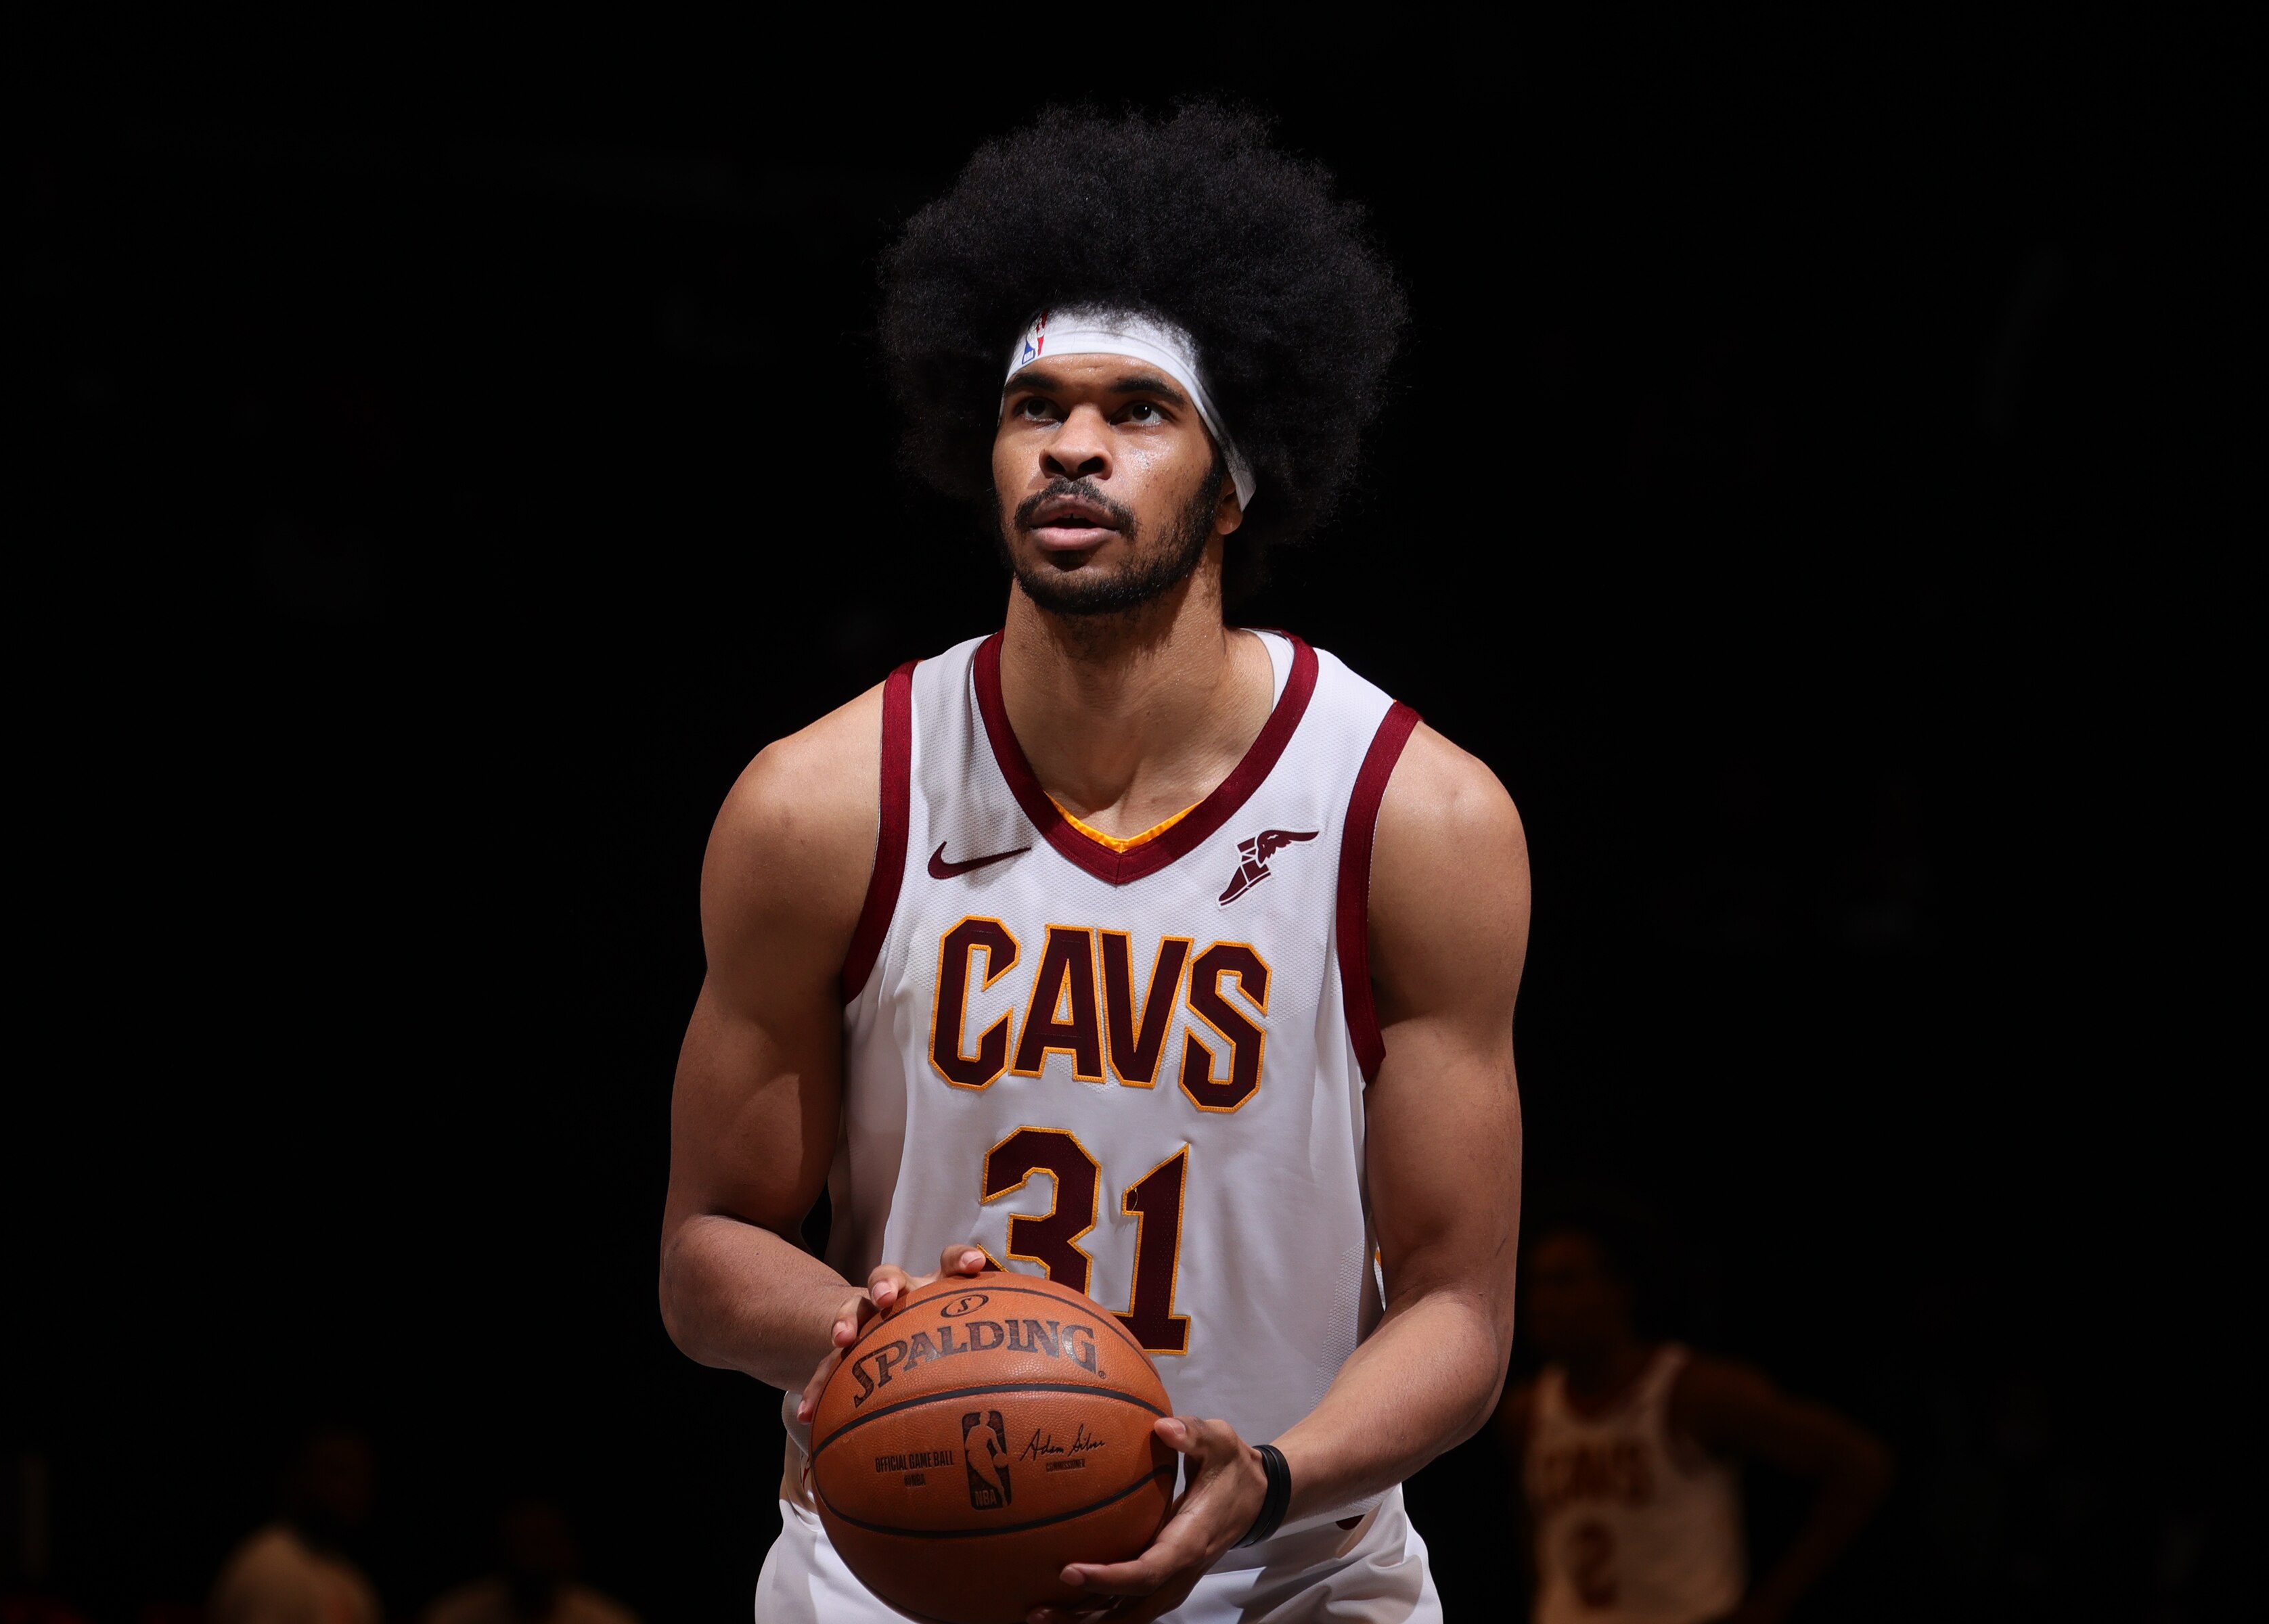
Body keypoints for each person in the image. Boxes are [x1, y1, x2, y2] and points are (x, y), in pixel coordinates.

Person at [660, 104, 1529, 1621]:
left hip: (1289, 1571)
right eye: (1034, 407)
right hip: (907, 1570)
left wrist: (1270, 1474)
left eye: (1138, 410)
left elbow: (1460, 1308)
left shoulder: (1414, 816)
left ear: (1237, 479)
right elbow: (707, 1250)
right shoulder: (822, 805)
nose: (1073, 445)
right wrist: (869, 1334)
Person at [1499, 1212, 1892, 1624]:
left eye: (1563, 1282)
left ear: (1620, 1290)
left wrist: (1768, 1605)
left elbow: (1861, 1463)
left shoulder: (1694, 1393)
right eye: (1535, 1285)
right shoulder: (1526, 1410)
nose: (1542, 1302)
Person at [209, 1429, 379, 1624]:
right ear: (299, 1479)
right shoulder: (272, 1566)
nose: (346, 1490)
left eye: (358, 1478)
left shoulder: (352, 1580)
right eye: (335, 1473)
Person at [423, 1502, 632, 1624]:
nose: (532, 1561)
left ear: (568, 1553)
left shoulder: (607, 1619)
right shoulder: (454, 1616)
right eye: (521, 1546)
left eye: (543, 1545)